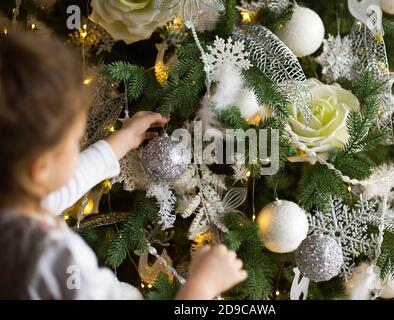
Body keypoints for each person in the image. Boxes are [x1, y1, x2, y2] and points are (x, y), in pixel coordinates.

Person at [0, 28, 247, 300]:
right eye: (73, 141)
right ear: (40, 169)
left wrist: (123, 140)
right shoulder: (54, 259)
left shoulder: (13, 208)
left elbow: (59, 189)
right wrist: (202, 286)